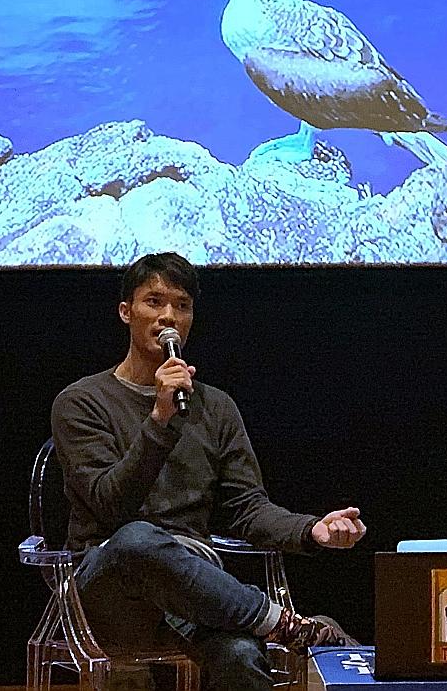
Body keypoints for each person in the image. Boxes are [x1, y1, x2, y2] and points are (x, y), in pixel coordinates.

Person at [51, 252, 365, 691]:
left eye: (181, 306)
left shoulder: (215, 407)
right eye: (154, 302)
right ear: (126, 312)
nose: (169, 316)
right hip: (109, 589)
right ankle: (284, 625)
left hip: (193, 592)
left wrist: (312, 529)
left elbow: (247, 508)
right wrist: (159, 421)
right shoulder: (81, 402)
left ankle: (270, 625)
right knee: (136, 539)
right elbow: (109, 505)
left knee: (240, 656)